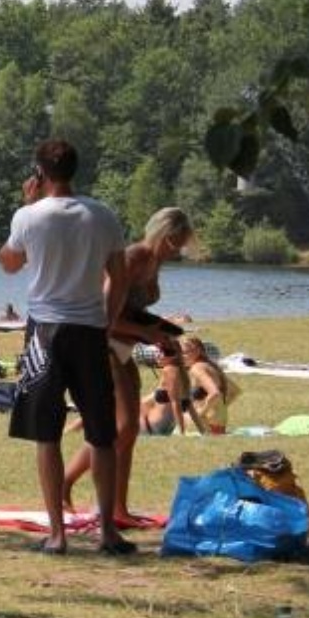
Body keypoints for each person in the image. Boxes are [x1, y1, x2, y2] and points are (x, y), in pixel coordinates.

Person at [0, 139, 132, 556]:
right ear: (74, 170)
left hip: (45, 332)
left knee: (46, 433)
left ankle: (57, 534)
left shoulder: (29, 216)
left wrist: (26, 204)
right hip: (89, 329)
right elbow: (120, 275)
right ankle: (107, 530)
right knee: (101, 433)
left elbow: (9, 263)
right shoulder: (103, 215)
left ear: (39, 174)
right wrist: (107, 322)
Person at [62, 207, 195, 522]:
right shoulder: (134, 256)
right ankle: (63, 483)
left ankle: (119, 509)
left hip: (123, 345)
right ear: (162, 233)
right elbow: (105, 313)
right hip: (100, 342)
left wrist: (162, 332)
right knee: (121, 427)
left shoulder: (154, 263)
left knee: (130, 430)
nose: (176, 251)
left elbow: (132, 312)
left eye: (182, 245)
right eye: (174, 243)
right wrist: (150, 332)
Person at [181, 336, 235, 435]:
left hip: (208, 420)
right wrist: (220, 408)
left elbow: (215, 393)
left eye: (185, 352)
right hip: (218, 420)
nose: (181, 356)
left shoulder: (197, 369)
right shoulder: (210, 365)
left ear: (198, 351)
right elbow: (233, 391)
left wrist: (201, 412)